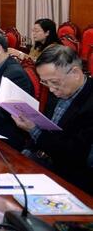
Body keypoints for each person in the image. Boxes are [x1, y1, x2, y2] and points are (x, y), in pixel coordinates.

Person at [11, 45, 93, 193]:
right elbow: (46, 125)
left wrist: (33, 129)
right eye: (45, 82)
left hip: (71, 179)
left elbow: (74, 154)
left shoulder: (89, 102)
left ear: (75, 73)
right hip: (42, 161)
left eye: (54, 82)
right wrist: (26, 153)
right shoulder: (60, 89)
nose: (50, 89)